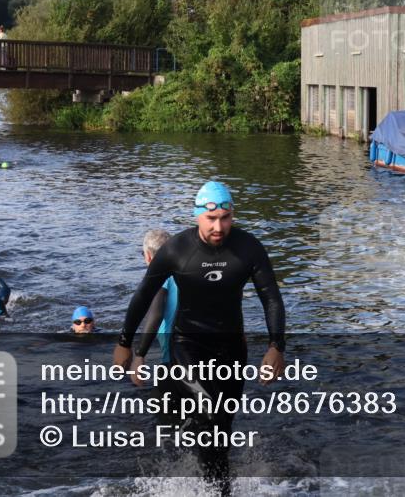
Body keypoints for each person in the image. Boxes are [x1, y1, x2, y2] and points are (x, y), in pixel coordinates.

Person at [113, 181, 286, 496]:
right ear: (197, 217)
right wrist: (125, 343)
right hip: (188, 346)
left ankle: (218, 489)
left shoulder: (248, 248)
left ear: (232, 216)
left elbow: (271, 298)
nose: (218, 226)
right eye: (211, 219)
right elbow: (143, 296)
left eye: (225, 218)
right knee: (209, 408)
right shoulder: (177, 249)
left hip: (232, 348)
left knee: (221, 426)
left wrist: (276, 347)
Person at [129, 229, 175, 383]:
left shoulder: (160, 278)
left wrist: (139, 355)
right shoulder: (189, 271)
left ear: (148, 256)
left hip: (176, 358)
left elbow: (156, 315)